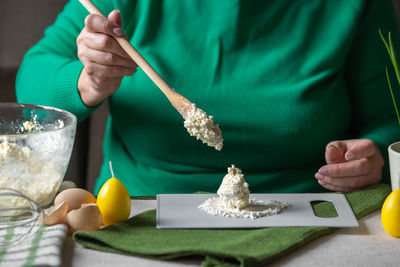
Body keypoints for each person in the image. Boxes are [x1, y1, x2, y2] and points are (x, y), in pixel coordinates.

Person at [16, 0, 400, 196]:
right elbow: (31, 85)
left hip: (309, 212)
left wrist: (374, 154)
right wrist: (88, 83)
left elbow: (388, 117)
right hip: (141, 212)